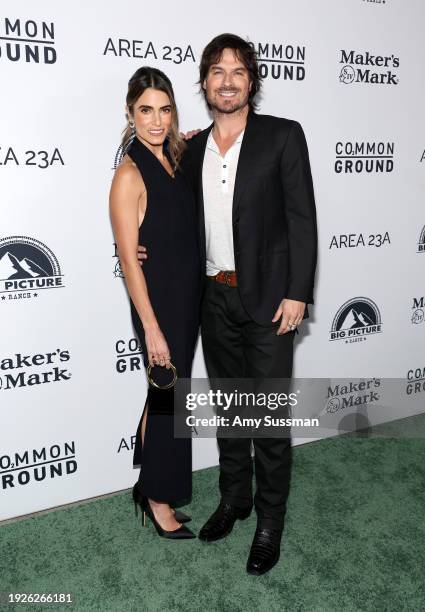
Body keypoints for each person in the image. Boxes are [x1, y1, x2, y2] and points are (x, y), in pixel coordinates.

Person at [139, 33, 317, 573]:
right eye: (217, 71)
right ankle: (234, 499)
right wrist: (141, 243)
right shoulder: (188, 148)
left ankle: (269, 521)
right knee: (230, 412)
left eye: (238, 71)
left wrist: (298, 291)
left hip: (267, 301)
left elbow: (302, 220)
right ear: (205, 83)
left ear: (252, 81)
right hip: (211, 297)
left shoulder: (284, 137)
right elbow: (165, 208)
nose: (227, 81)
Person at [110, 66, 201, 540]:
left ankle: (147, 484)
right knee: (168, 397)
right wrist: (151, 327)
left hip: (187, 295)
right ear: (130, 113)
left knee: (163, 393)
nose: (156, 120)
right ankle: (159, 500)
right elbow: (129, 260)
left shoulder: (174, 158)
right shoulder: (129, 174)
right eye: (146, 110)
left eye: (164, 110)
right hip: (158, 302)